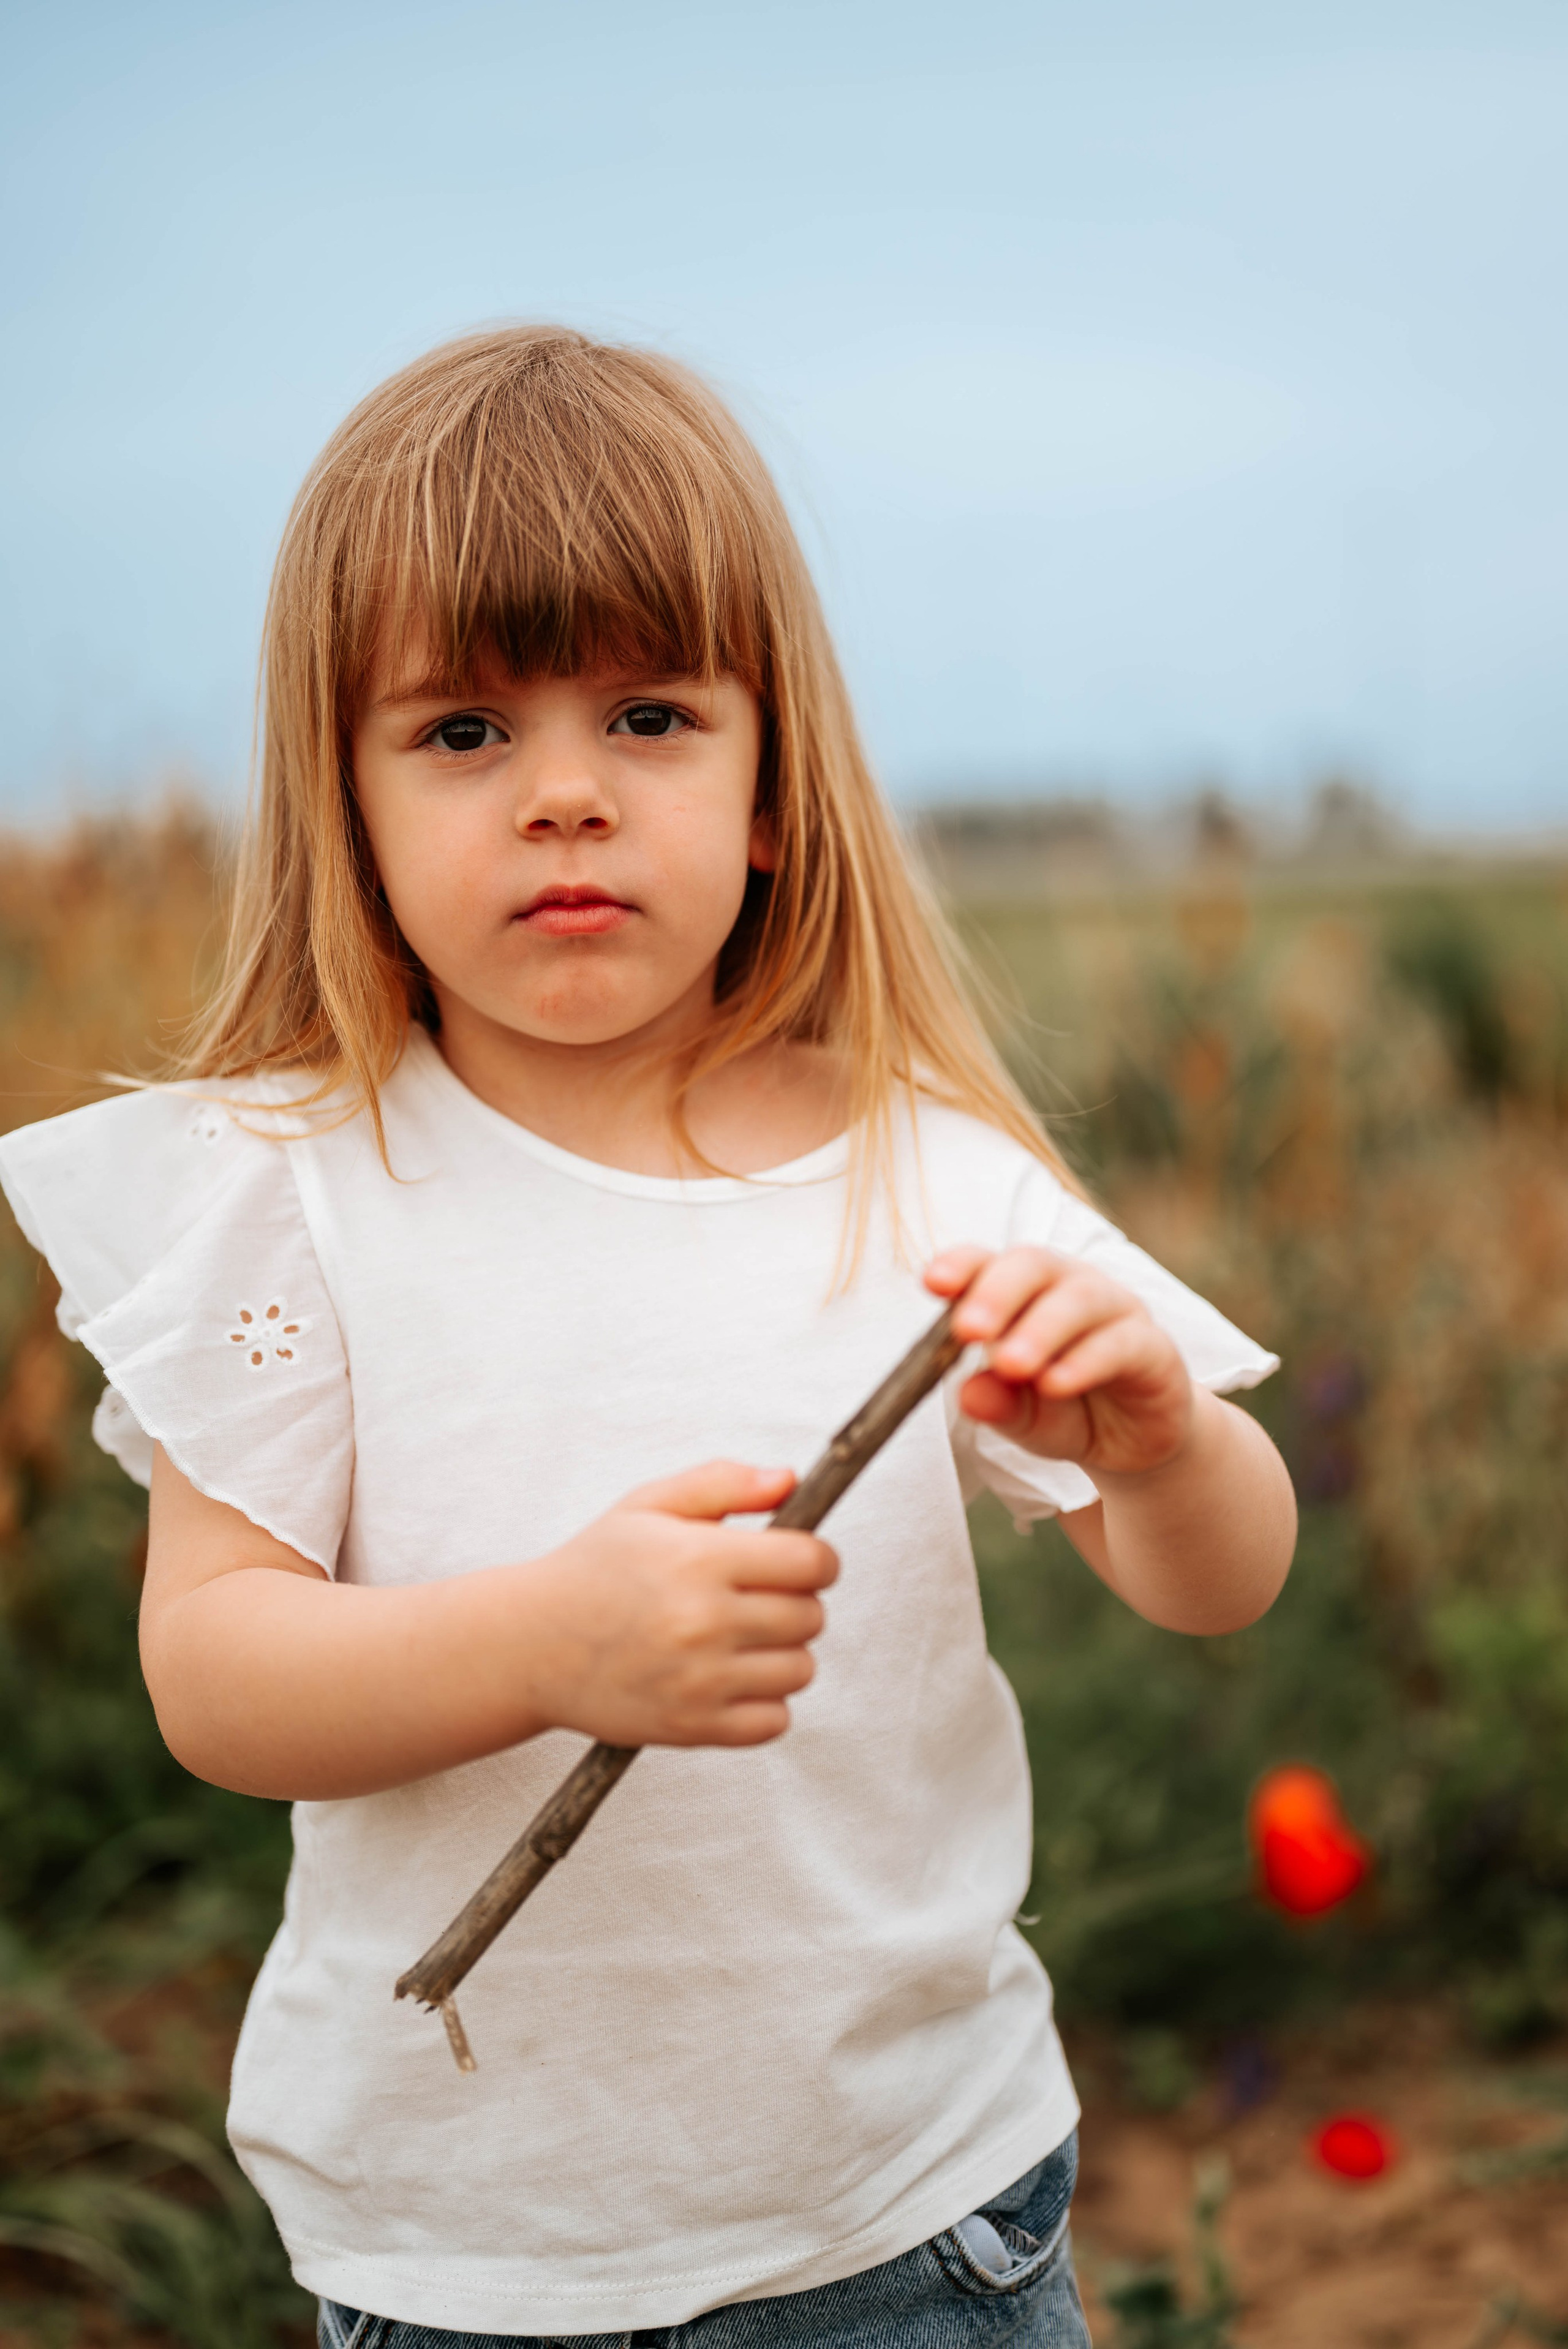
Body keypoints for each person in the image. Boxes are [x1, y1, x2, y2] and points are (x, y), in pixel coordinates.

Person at [0, 328, 1295, 2349]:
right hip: (465, 2261)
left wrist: (1156, 1440)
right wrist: (545, 1642)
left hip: (909, 2224)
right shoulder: (296, 1191)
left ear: (773, 790)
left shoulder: (919, 1174)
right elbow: (216, 1672)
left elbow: (1217, 1583)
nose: (569, 796)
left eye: (651, 711)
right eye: (462, 734)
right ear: (343, 803)